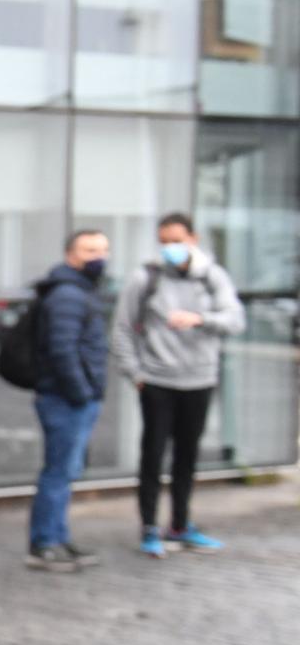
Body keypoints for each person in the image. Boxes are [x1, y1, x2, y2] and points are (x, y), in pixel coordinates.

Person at [110, 212, 245, 557]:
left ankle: (181, 525)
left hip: (199, 380)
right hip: (157, 381)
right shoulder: (146, 277)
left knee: (187, 456)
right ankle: (149, 528)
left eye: (177, 240)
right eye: (164, 241)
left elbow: (235, 319)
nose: (170, 247)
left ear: (192, 239)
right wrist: (136, 374)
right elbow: (122, 329)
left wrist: (200, 319)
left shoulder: (212, 276)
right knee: (153, 456)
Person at [26, 230, 111, 572]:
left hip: (75, 398)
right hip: (65, 399)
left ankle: (58, 539)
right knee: (58, 473)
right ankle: (44, 544)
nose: (99, 257)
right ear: (70, 255)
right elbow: (63, 351)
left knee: (65, 472)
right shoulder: (67, 296)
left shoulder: (80, 292)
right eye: (90, 250)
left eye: (103, 250)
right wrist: (81, 392)